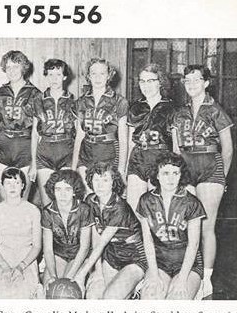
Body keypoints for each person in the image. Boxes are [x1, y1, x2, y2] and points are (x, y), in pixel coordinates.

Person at [172, 65, 233, 298]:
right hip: (186, 166)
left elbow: (227, 148)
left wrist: (222, 177)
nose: (191, 84)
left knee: (207, 225)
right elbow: (176, 150)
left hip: (210, 166)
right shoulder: (179, 112)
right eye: (187, 80)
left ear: (206, 83)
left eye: (196, 79)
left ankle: (206, 279)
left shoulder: (216, 110)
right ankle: (190, 273)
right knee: (188, 225)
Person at [137, 153, 205, 300]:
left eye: (175, 173)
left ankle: (197, 289)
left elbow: (194, 245)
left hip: (188, 264)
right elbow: (147, 241)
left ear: (181, 176)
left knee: (176, 301)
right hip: (160, 261)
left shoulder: (192, 203)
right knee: (150, 297)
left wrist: (182, 280)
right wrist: (154, 275)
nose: (170, 178)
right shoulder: (146, 200)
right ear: (157, 175)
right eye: (165, 173)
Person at [74, 162, 145, 299]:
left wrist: (81, 275)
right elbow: (95, 239)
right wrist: (98, 272)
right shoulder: (91, 200)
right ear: (90, 181)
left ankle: (136, 286)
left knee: (111, 297)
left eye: (105, 180)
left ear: (113, 183)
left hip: (134, 257)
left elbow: (101, 243)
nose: (100, 185)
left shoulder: (119, 206)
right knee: (93, 295)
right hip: (112, 256)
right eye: (96, 179)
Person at [0, 50, 39, 201]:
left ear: (23, 68)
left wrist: (35, 162)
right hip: (1, 145)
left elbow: (36, 131)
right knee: (5, 200)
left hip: (25, 147)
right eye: (8, 67)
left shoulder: (35, 94)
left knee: (22, 200)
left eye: (16, 66)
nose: (12, 71)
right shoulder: (0, 92)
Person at [0, 168, 42, 299]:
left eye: (17, 183)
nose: (12, 187)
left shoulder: (33, 211)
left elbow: (37, 246)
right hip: (2, 256)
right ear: (2, 185)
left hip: (26, 257)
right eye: (8, 183)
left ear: (23, 186)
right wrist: (5, 266)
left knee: (24, 293)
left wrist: (21, 266)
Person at [72, 58, 129, 186]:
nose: (98, 78)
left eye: (102, 73)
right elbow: (79, 136)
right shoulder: (81, 102)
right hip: (86, 154)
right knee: (87, 195)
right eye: (94, 73)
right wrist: (73, 167)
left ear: (109, 75)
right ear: (88, 76)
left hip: (108, 153)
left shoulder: (119, 101)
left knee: (105, 194)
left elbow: (123, 140)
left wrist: (121, 169)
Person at [126, 63, 173, 212]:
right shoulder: (135, 107)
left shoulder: (171, 108)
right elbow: (129, 142)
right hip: (137, 160)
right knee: (134, 210)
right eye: (142, 81)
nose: (146, 85)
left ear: (160, 82)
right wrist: (125, 168)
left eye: (151, 81)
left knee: (157, 211)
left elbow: (176, 146)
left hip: (160, 159)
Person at [41, 169, 93, 290]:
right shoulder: (47, 211)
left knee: (67, 288)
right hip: (58, 254)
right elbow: (48, 249)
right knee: (49, 288)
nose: (62, 194)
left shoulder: (84, 209)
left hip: (78, 255)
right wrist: (53, 275)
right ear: (53, 192)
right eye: (58, 189)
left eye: (67, 189)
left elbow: (84, 248)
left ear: (74, 191)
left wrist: (68, 277)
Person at [34, 59, 77, 205]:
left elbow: (78, 133)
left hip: (66, 150)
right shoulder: (39, 100)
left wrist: (76, 162)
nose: (54, 79)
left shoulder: (73, 101)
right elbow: (35, 134)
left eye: (58, 75)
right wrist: (33, 163)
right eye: (50, 74)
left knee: (65, 200)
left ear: (65, 77)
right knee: (47, 201)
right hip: (45, 150)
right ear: (46, 76)